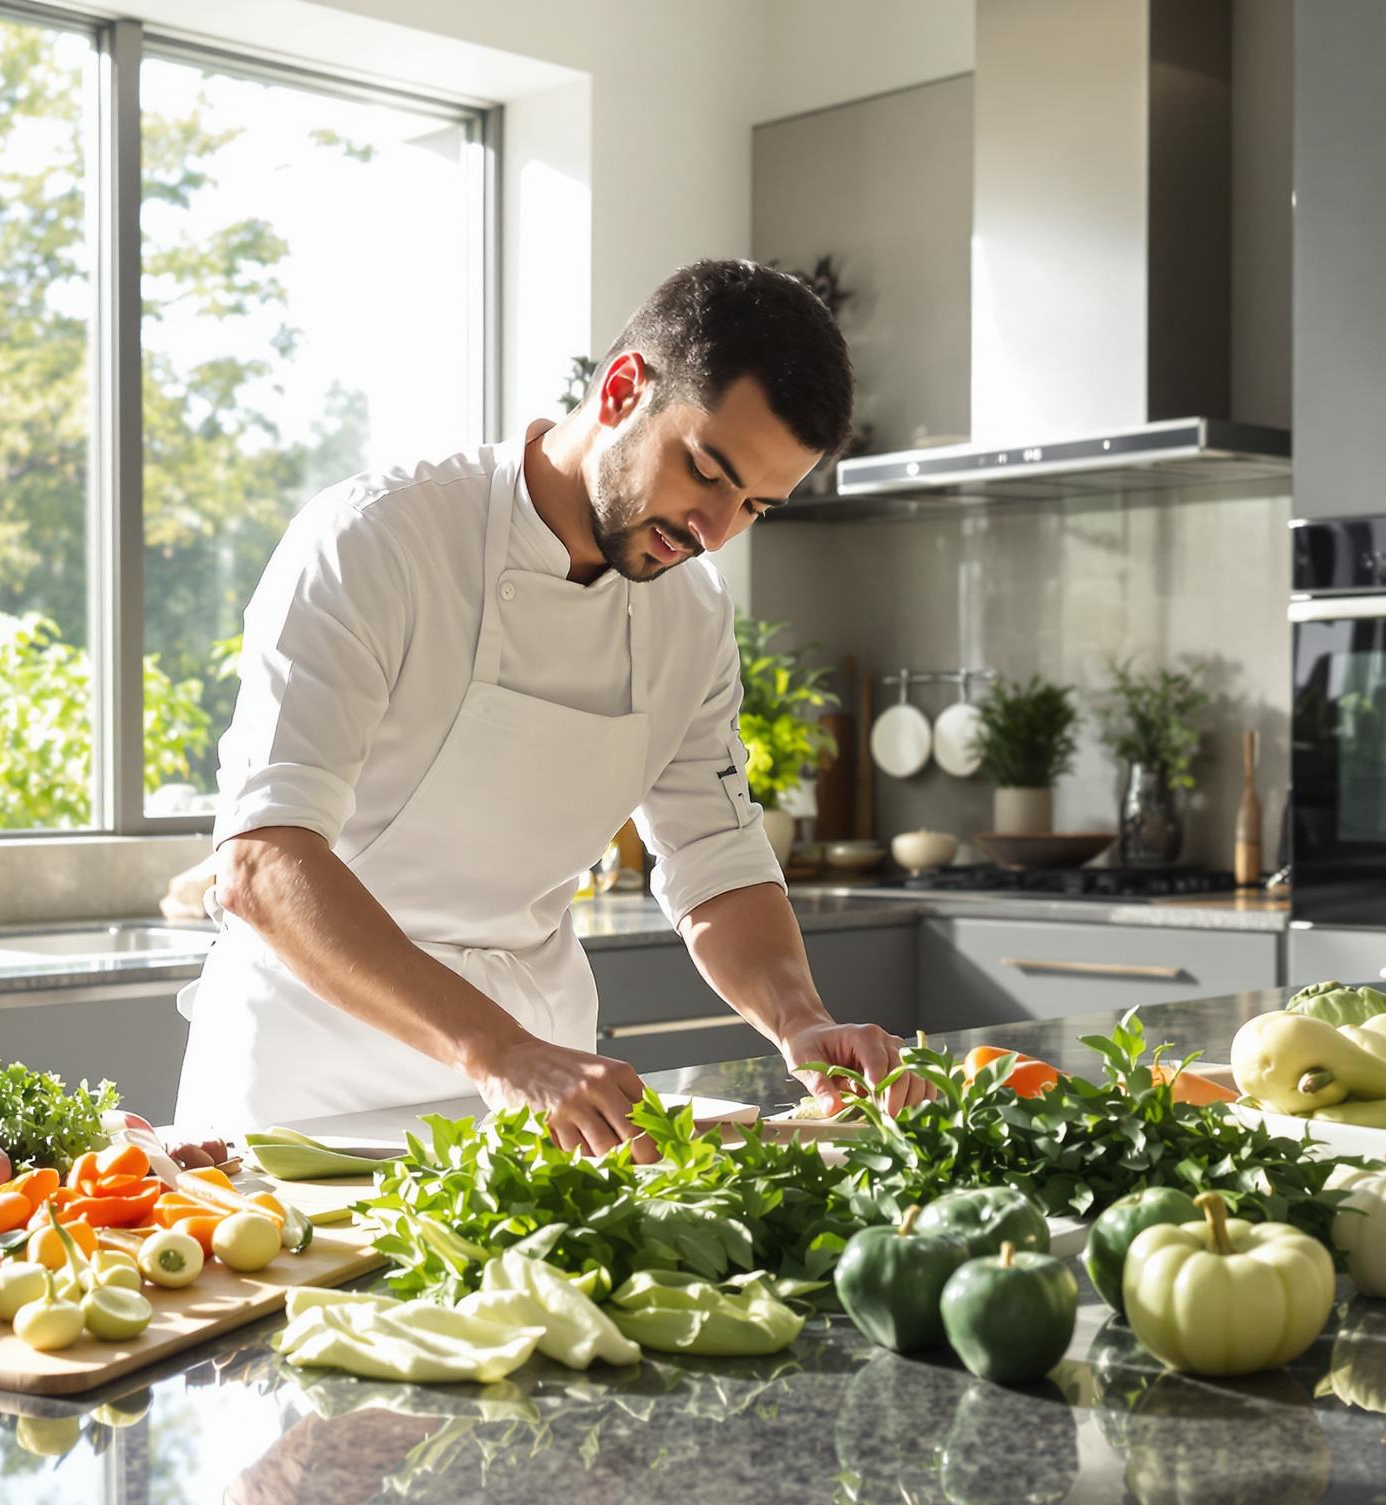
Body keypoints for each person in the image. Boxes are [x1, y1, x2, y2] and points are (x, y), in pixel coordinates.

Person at [174, 258, 920, 1149]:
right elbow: (262, 864)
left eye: (756, 505)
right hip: (311, 1091)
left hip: (545, 1090)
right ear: (620, 388)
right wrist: (501, 1055)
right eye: (707, 472)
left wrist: (799, 1020)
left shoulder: (693, 612)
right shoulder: (378, 540)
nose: (714, 531)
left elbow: (715, 852)